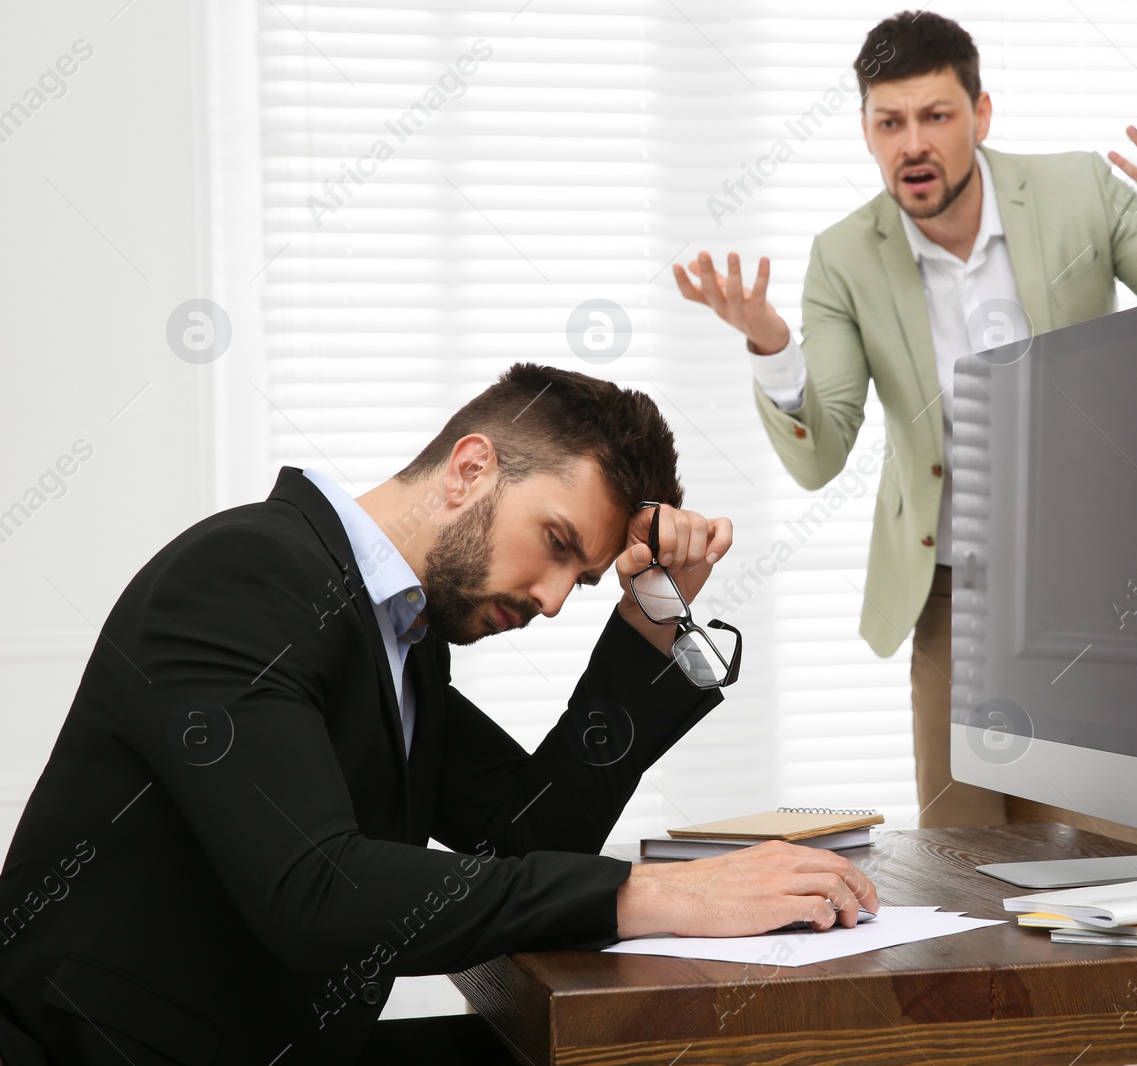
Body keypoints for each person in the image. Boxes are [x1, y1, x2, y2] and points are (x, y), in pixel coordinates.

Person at [0, 364, 877, 1066]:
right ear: (470, 468)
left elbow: (523, 835)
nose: (551, 598)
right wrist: (664, 895)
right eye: (559, 544)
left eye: (580, 576)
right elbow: (318, 892)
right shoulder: (248, 578)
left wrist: (649, 625)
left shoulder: (399, 634)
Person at [674, 12, 1137, 830]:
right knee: (971, 867)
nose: (911, 143)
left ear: (980, 115)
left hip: (1114, 581)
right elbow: (823, 454)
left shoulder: (1078, 193)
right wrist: (773, 347)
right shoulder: (845, 257)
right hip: (961, 597)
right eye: (889, 122)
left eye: (935, 116)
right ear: (865, 131)